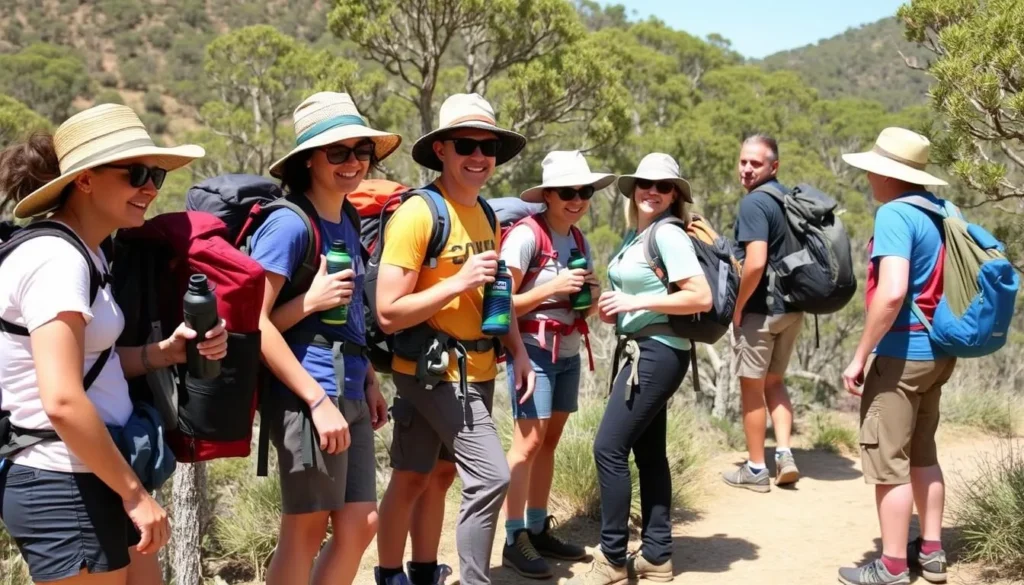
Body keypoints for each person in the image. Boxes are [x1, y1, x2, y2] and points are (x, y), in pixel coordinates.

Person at [0, 104, 228, 584]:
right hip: (64, 481)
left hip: (95, 472)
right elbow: (61, 400)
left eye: (156, 177)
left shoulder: (89, 255)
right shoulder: (55, 260)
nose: (150, 188)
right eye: (137, 174)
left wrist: (162, 354)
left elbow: (88, 362)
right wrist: (134, 495)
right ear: (84, 180)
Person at [373, 93, 536, 585]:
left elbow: (495, 298)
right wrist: (457, 281)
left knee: (426, 476)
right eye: (466, 144)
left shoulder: (486, 214)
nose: (479, 157)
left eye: (489, 147)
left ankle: (418, 572)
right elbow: (387, 313)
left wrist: (520, 352)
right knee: (490, 477)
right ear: (441, 149)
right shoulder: (420, 215)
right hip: (434, 372)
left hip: (479, 368)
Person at [252, 92, 397, 585]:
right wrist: (316, 400)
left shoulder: (349, 217)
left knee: (361, 523)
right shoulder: (288, 224)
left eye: (362, 152)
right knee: (305, 529)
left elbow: (351, 309)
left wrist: (371, 382)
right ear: (308, 160)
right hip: (308, 394)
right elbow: (255, 324)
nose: (353, 162)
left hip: (350, 389)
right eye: (338, 152)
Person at [569, 153, 711, 585]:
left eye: (663, 186)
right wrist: (614, 307)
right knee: (648, 455)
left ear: (674, 196)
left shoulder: (668, 235)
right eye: (645, 184)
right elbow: (641, 292)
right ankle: (657, 556)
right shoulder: (638, 236)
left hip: (657, 353)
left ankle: (611, 558)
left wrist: (634, 303)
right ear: (634, 190)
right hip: (642, 348)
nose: (653, 191)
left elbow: (700, 296)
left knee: (608, 448)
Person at [837, 128, 954, 585]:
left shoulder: (894, 214)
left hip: (903, 353)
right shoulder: (943, 211)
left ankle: (891, 566)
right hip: (939, 352)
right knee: (923, 453)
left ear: (887, 174)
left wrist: (860, 356)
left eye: (872, 167)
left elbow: (891, 293)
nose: (868, 174)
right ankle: (931, 552)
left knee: (889, 463)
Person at [499, 150, 611, 578]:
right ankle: (513, 538)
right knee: (526, 443)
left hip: (566, 349)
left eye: (583, 192)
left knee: (549, 441)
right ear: (547, 195)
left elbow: (579, 300)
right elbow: (501, 301)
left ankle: (537, 525)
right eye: (568, 192)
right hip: (531, 349)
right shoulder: (527, 236)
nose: (577, 199)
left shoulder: (578, 239)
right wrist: (555, 288)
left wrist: (590, 294)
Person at [722, 134, 802, 492]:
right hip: (792, 308)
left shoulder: (755, 204)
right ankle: (784, 454)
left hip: (761, 310)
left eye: (755, 163)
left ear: (774, 166)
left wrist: (738, 308)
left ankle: (756, 468)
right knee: (775, 382)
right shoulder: (787, 199)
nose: (747, 169)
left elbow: (754, 263)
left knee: (752, 388)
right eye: (743, 162)